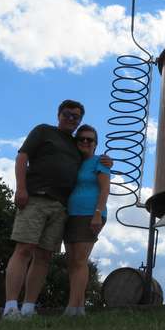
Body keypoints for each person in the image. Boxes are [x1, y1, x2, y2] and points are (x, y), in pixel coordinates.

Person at [2, 100, 111, 319]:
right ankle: (11, 306)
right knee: (24, 249)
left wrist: (105, 161)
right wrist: (20, 188)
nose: (72, 119)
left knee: (44, 257)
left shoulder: (78, 147)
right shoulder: (43, 131)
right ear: (59, 114)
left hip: (62, 208)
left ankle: (29, 308)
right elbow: (22, 157)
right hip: (36, 198)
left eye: (76, 116)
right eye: (68, 114)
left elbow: (97, 170)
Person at [63, 124, 111, 316]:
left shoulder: (100, 162)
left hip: (90, 214)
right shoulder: (73, 163)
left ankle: (73, 308)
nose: (85, 142)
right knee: (72, 261)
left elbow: (105, 189)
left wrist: (97, 214)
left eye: (89, 139)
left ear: (95, 144)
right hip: (71, 214)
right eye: (81, 138)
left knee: (80, 260)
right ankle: (78, 307)